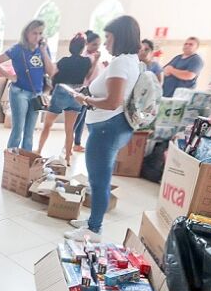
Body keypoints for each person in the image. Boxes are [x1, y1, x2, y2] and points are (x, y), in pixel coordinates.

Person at [64, 15, 142, 242]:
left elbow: (112, 101)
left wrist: (84, 99)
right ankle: (92, 221)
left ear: (120, 37)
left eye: (109, 37)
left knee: (99, 180)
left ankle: (94, 229)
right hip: (115, 126)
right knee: (100, 177)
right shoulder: (131, 60)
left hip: (107, 128)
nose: (106, 43)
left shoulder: (119, 63)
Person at [0, 20, 57, 151]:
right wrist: (9, 76)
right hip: (19, 92)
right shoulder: (17, 49)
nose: (37, 37)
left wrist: (43, 51)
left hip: (36, 93)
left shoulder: (43, 48)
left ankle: (25, 163)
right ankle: (12, 162)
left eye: (40, 33)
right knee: (18, 130)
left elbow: (51, 71)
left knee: (29, 132)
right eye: (34, 33)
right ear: (26, 33)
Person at [36, 33, 92, 164]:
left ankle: (39, 150)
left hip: (62, 90)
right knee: (69, 129)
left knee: (47, 125)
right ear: (82, 48)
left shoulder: (63, 61)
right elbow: (88, 77)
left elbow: (54, 75)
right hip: (76, 93)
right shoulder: (86, 62)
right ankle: (67, 158)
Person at [72, 30, 104, 152]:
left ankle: (77, 143)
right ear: (87, 44)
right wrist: (96, 60)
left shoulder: (94, 57)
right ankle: (68, 143)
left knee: (82, 119)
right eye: (94, 44)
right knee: (77, 119)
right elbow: (88, 75)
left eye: (98, 44)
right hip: (83, 90)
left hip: (90, 91)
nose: (97, 47)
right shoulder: (85, 57)